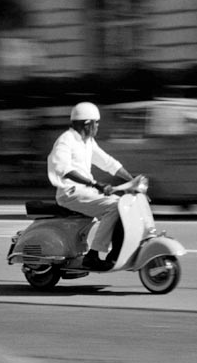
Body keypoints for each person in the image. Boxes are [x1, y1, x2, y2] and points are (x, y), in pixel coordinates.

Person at [47, 102, 134, 271]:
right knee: (114, 207)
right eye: (97, 123)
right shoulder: (66, 140)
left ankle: (116, 254)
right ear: (87, 124)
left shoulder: (88, 142)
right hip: (70, 193)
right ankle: (92, 256)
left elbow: (108, 162)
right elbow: (63, 169)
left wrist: (132, 180)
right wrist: (94, 183)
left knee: (124, 205)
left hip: (86, 191)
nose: (98, 126)